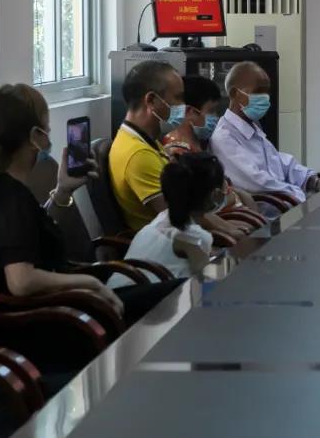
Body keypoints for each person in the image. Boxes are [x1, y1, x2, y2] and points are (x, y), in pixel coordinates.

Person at [0, 84, 180, 325]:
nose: (49, 133)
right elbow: (21, 281)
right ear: (35, 136)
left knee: (173, 293)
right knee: (179, 296)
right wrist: (90, 283)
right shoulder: (11, 198)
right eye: (46, 126)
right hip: (49, 320)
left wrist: (63, 190)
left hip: (53, 309)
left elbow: (24, 235)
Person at [110, 61, 243, 238]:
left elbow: (190, 207)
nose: (183, 105)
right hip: (169, 245)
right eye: (178, 98)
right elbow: (181, 217)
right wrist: (232, 233)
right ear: (151, 100)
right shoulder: (138, 154)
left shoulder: (146, 141)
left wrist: (232, 229)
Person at [210, 61, 318, 204]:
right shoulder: (224, 138)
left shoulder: (252, 128)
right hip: (269, 212)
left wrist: (312, 180)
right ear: (235, 94)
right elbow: (258, 184)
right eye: (259, 91)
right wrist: (302, 197)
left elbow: (280, 163)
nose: (265, 97)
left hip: (287, 204)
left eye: (267, 92)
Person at [111, 153, 220, 288]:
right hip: (148, 300)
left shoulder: (162, 219)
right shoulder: (193, 237)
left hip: (113, 295)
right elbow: (210, 283)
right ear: (214, 195)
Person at [163, 74, 260, 215]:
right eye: (211, 111)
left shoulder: (203, 144)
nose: (215, 117)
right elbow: (199, 206)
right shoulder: (177, 153)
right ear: (189, 112)